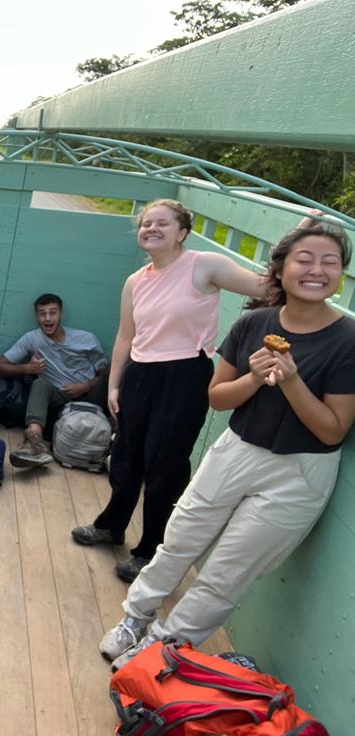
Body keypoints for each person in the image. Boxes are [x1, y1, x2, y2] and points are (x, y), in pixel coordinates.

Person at [100, 219, 355, 671]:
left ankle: (161, 647)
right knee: (179, 540)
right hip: (237, 451)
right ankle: (134, 618)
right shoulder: (254, 322)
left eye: (330, 262)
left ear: (341, 274)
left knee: (228, 571)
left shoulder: (347, 340)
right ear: (281, 270)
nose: (317, 270)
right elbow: (218, 398)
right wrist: (255, 378)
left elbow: (332, 430)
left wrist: (291, 380)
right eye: (305, 259)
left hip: (299, 472)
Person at [70, 199, 266, 583]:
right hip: (139, 373)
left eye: (163, 223)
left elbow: (265, 287)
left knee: (165, 464)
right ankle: (111, 525)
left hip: (185, 373)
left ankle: (151, 550)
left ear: (182, 232)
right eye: (147, 224)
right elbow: (126, 335)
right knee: (126, 454)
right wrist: (114, 383)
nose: (152, 229)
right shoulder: (135, 281)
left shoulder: (204, 266)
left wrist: (295, 248)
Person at [0, 293, 109, 467]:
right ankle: (34, 443)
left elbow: (104, 375)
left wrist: (85, 386)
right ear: (36, 317)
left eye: (52, 312)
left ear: (61, 314)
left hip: (90, 395)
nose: (48, 318)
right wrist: (27, 368)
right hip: (60, 398)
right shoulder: (32, 339)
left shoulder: (86, 339)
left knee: (122, 369)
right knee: (39, 384)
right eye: (42, 313)